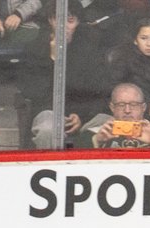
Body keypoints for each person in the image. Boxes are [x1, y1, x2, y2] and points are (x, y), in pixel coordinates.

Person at [19, 0, 111, 148]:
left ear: (78, 22)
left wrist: (81, 116)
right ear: (50, 20)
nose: (63, 27)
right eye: (58, 20)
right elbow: (34, 92)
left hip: (84, 114)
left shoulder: (89, 49)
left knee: (112, 125)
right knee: (48, 130)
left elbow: (100, 91)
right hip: (49, 111)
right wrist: (53, 60)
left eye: (70, 21)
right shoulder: (35, 48)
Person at [77, 81, 150, 148]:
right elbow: (77, 148)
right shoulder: (100, 132)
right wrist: (97, 140)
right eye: (121, 105)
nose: (127, 110)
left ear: (143, 108)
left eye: (134, 105)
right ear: (112, 108)